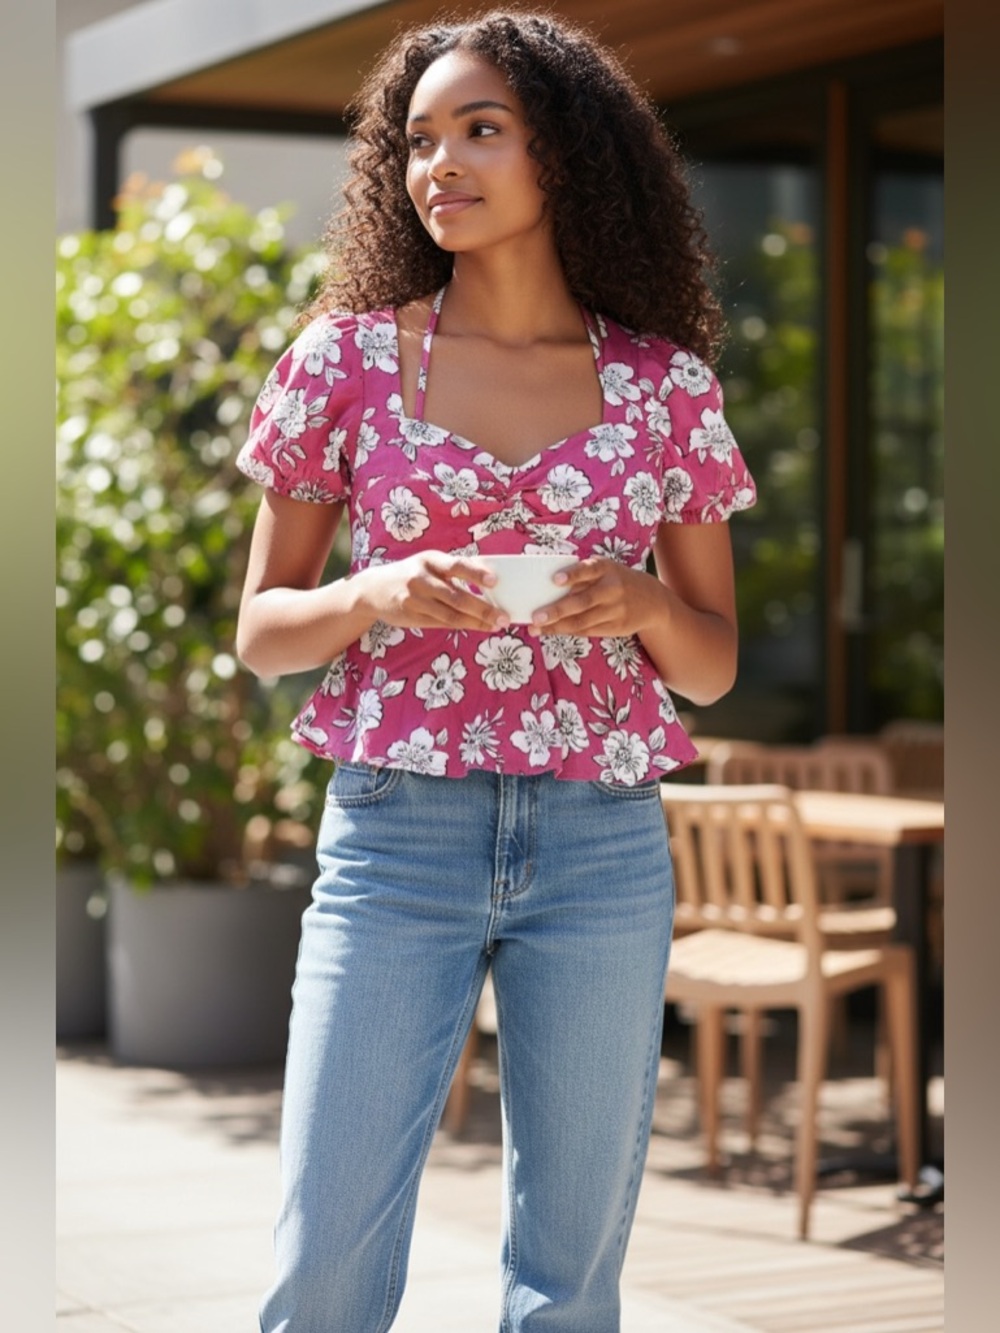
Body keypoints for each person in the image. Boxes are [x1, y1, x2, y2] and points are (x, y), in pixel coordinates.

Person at [235, 9, 756, 1331]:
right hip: (395, 838)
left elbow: (708, 668)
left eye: (480, 130)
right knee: (326, 1271)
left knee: (566, 1280)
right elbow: (264, 629)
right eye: (417, 140)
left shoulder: (665, 386)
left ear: (566, 156)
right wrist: (374, 591)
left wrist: (638, 599)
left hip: (603, 849)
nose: (439, 164)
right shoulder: (346, 360)